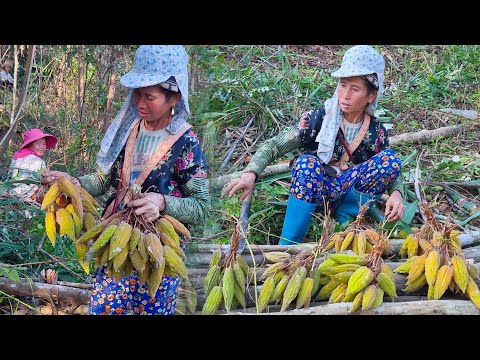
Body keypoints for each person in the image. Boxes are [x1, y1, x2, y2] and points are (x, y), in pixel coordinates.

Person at [41, 45, 211, 315]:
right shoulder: (127, 130)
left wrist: (162, 202)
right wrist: (72, 182)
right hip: (117, 238)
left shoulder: (186, 144)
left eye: (150, 96)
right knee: (107, 308)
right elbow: (102, 180)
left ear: (174, 97)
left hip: (159, 250)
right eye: (137, 94)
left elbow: (201, 207)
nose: (140, 103)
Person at [222, 45, 405, 245]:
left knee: (391, 160)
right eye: (342, 85)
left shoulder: (376, 132)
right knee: (307, 163)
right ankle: (289, 244)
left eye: (355, 89)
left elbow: (394, 171)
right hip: (316, 190)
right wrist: (251, 173)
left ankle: (346, 217)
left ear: (371, 95)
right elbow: (274, 145)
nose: (345, 95)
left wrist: (397, 193)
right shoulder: (317, 119)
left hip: (347, 190)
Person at [7, 128, 58, 200]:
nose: (42, 147)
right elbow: (41, 180)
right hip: (24, 196)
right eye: (38, 143)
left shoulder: (17, 156)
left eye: (44, 143)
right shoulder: (37, 161)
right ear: (30, 144)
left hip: (9, 191)